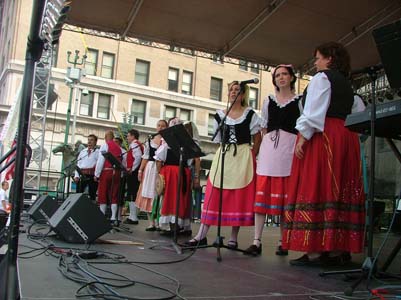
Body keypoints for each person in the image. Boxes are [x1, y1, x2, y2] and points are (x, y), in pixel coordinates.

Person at [283, 42, 365, 266]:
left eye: (318, 58)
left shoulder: (322, 78)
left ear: (329, 59)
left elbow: (313, 113)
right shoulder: (348, 85)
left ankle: (315, 251)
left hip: (325, 136)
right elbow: (359, 114)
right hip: (346, 137)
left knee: (317, 184)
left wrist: (303, 136)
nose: (315, 62)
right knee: (338, 189)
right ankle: (337, 249)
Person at [186, 81, 261, 248]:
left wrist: (251, 154)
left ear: (242, 95)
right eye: (231, 90)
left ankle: (233, 237)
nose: (233, 92)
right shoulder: (220, 115)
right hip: (224, 155)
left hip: (242, 155)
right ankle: (202, 234)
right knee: (214, 192)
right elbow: (218, 139)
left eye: (237, 90)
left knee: (238, 195)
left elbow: (257, 137)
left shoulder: (250, 114)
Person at [244, 64, 302, 256]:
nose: (281, 77)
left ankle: (282, 241)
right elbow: (264, 127)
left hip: (289, 150)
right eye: (278, 75)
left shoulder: (300, 101)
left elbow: (303, 127)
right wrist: (262, 150)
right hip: (270, 150)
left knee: (285, 201)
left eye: (285, 74)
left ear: (292, 77)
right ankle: (256, 241)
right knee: (262, 198)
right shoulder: (268, 100)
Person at [155, 117, 193, 235]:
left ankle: (173, 228)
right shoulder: (187, 143)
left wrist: (159, 175)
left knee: (171, 199)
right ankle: (180, 226)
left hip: (171, 173)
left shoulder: (167, 143)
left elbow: (159, 160)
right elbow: (190, 161)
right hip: (183, 172)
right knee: (180, 199)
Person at [136, 120, 168, 231]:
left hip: (162, 168)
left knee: (159, 193)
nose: (160, 127)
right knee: (149, 194)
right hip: (150, 168)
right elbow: (145, 156)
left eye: (163, 126)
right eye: (158, 125)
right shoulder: (150, 139)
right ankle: (151, 222)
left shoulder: (167, 141)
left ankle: (159, 222)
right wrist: (140, 170)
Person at [94, 130, 122, 225]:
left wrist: (97, 174)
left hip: (106, 171)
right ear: (113, 137)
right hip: (117, 172)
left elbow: (100, 161)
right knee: (114, 194)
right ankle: (113, 217)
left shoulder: (105, 146)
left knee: (103, 193)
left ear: (106, 138)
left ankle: (102, 215)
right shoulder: (119, 148)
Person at [123, 129, 143, 225]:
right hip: (134, 172)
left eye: (128, 136)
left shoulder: (134, 144)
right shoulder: (136, 144)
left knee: (132, 193)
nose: (127, 138)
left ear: (133, 136)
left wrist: (132, 168)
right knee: (131, 193)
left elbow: (138, 157)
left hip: (133, 173)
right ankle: (132, 216)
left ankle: (133, 217)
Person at [74, 134, 99, 202]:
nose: (89, 142)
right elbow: (78, 164)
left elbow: (99, 164)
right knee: (78, 194)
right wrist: (76, 176)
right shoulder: (83, 152)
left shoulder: (98, 152)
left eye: (91, 140)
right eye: (88, 140)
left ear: (95, 142)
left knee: (92, 194)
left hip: (92, 175)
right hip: (82, 175)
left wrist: (97, 175)